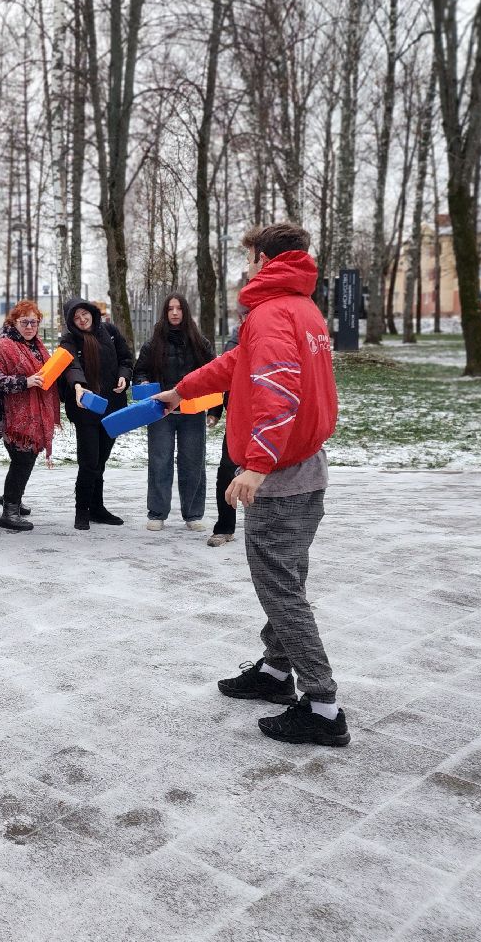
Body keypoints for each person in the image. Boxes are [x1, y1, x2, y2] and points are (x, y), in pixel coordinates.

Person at [154, 222, 345, 747]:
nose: (250, 267)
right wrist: (182, 391)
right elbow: (239, 364)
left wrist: (257, 464)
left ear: (264, 259)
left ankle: (323, 707)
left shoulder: (272, 313)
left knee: (280, 589)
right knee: (284, 582)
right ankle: (277, 672)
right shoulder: (302, 310)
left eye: (252, 258)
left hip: (281, 478)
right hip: (305, 470)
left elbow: (278, 390)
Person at [135, 294, 216, 532]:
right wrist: (145, 382)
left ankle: (193, 514)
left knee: (192, 463)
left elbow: (214, 375)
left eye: (179, 308)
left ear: (185, 312)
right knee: (160, 462)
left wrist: (214, 410)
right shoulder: (152, 344)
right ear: (165, 312)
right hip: (161, 412)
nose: (174, 313)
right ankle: (157, 512)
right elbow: (139, 373)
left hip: (193, 412)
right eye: (170, 309)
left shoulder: (200, 343)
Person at [57, 298, 133, 530]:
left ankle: (97, 508)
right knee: (89, 461)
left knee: (101, 460)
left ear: (92, 312)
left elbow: (126, 357)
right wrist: (79, 386)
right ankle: (82, 510)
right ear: (71, 321)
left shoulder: (109, 331)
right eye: (76, 317)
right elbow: (71, 366)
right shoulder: (68, 340)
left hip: (112, 406)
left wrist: (124, 375)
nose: (82, 319)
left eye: (84, 314)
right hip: (86, 408)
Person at [0, 301, 60, 532]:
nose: (30, 326)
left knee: (26, 458)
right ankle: (10, 510)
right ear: (13, 322)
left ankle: (13, 497)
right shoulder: (2, 346)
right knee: (22, 459)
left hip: (36, 415)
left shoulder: (37, 345)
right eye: (24, 322)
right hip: (12, 416)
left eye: (34, 322)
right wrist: (25, 382)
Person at [209, 311, 244, 547]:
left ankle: (268, 528)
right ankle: (225, 527)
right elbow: (219, 379)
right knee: (226, 473)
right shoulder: (235, 342)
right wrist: (214, 412)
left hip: (269, 418)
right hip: (238, 420)